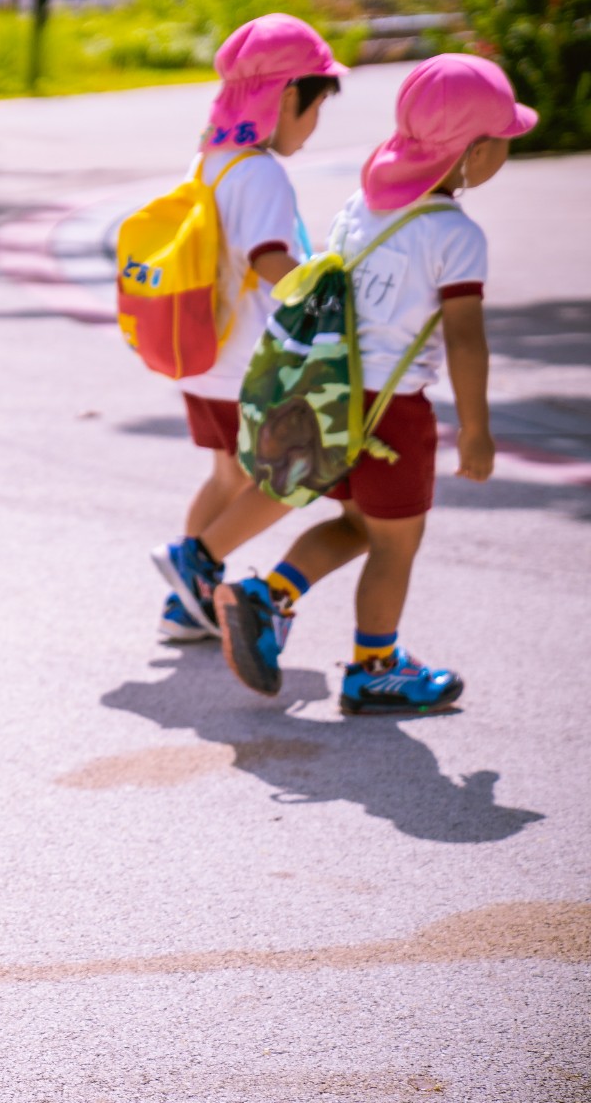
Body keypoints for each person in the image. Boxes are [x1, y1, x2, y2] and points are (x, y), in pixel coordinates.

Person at [211, 54, 536, 714]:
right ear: (472, 154)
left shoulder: (362, 205)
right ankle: (376, 666)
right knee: (396, 544)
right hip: (394, 414)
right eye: (502, 139)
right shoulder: (456, 234)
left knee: (357, 524)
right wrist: (476, 428)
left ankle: (268, 598)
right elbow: (465, 337)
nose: (506, 150)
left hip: (332, 398)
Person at [148, 14, 347, 642]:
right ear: (289, 97)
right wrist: (328, 291)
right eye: (316, 109)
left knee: (226, 476)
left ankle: (186, 604)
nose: (314, 129)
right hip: (248, 366)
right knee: (294, 473)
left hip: (203, 356)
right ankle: (195, 564)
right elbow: (268, 261)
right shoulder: (260, 172)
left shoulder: (210, 158)